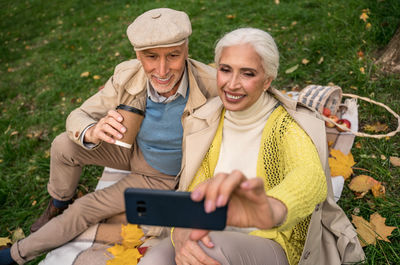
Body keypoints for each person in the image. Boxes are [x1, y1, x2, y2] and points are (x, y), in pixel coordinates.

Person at [0, 8, 218, 265]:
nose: (162, 69)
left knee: (84, 209)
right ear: (137, 56)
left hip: (159, 175)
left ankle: (16, 255)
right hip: (130, 148)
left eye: (173, 56)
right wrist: (92, 131)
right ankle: (58, 202)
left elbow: (256, 94)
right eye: (150, 57)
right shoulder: (127, 74)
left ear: (186, 49)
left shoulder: (211, 82)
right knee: (63, 144)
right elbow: (79, 114)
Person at [138, 28, 365, 265]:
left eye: (247, 74)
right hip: (210, 228)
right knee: (154, 259)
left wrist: (272, 209)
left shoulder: (287, 127)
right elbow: (194, 186)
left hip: (270, 239)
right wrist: (181, 230)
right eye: (225, 70)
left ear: (267, 80)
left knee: (209, 252)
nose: (232, 84)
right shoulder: (204, 120)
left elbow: (309, 176)